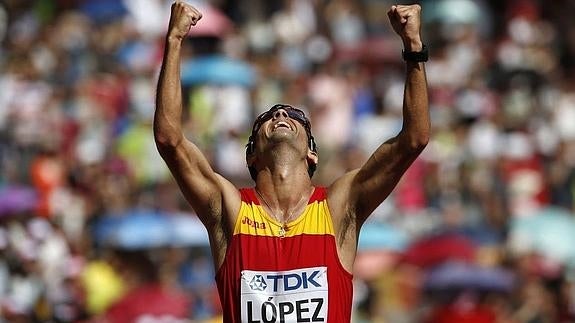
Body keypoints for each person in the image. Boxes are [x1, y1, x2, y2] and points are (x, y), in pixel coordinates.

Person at [154, 1, 429, 322]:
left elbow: (414, 139)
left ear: (312, 152)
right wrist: (173, 41)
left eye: (295, 116)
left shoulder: (338, 208)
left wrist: (413, 47)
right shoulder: (229, 210)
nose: (281, 113)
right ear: (252, 155)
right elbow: (169, 140)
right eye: (266, 119)